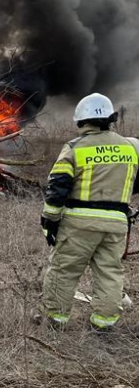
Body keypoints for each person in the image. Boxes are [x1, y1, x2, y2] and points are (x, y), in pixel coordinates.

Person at [41, 92, 139, 332]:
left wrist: (50, 220)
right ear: (110, 118)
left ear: (82, 120)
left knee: (64, 271)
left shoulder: (75, 148)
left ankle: (55, 321)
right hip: (116, 223)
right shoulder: (131, 147)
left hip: (79, 223)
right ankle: (103, 326)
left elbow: (58, 187)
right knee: (110, 273)